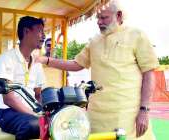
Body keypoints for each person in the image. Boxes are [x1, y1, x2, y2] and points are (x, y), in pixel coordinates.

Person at [36, 0, 159, 139]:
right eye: (97, 18)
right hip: (96, 115)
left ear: (119, 16)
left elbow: (149, 74)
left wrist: (144, 110)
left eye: (104, 18)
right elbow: (76, 64)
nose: (99, 22)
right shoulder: (94, 41)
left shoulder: (137, 35)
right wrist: (46, 60)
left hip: (127, 115)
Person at [0, 16, 45, 140]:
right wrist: (36, 116)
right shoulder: (6, 59)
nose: (43, 35)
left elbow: (38, 95)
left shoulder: (37, 62)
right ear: (26, 31)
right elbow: (9, 99)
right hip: (7, 111)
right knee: (33, 125)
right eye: (40, 31)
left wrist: (45, 113)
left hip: (32, 113)